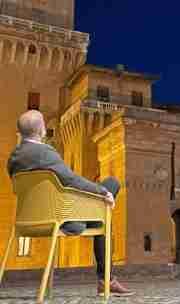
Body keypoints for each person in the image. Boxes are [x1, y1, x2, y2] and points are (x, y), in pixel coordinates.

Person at [7, 110, 134, 297]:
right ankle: (105, 280)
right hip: (63, 218)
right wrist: (104, 192)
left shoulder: (13, 159)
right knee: (111, 189)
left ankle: (106, 279)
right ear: (41, 129)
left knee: (102, 217)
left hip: (29, 220)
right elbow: (71, 180)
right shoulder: (45, 153)